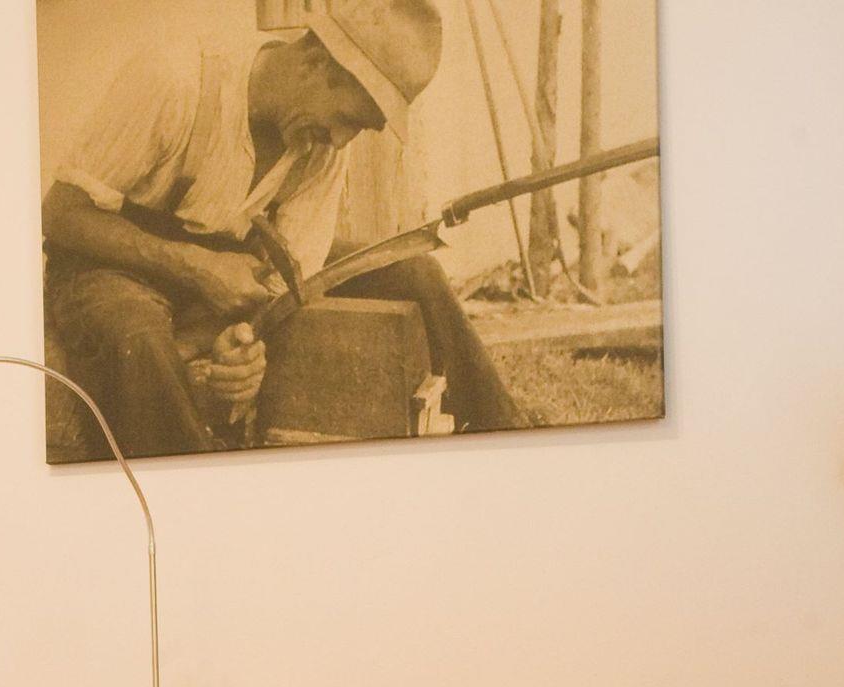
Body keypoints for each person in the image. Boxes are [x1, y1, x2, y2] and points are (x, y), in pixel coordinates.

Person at [43, 0, 522, 458]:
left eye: (360, 128)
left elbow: (287, 280)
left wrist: (236, 340)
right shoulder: (175, 79)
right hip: (114, 264)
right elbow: (60, 214)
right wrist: (195, 268)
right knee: (139, 335)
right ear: (316, 60)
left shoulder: (323, 146)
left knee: (413, 270)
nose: (341, 140)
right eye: (347, 118)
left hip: (228, 268)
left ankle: (506, 436)